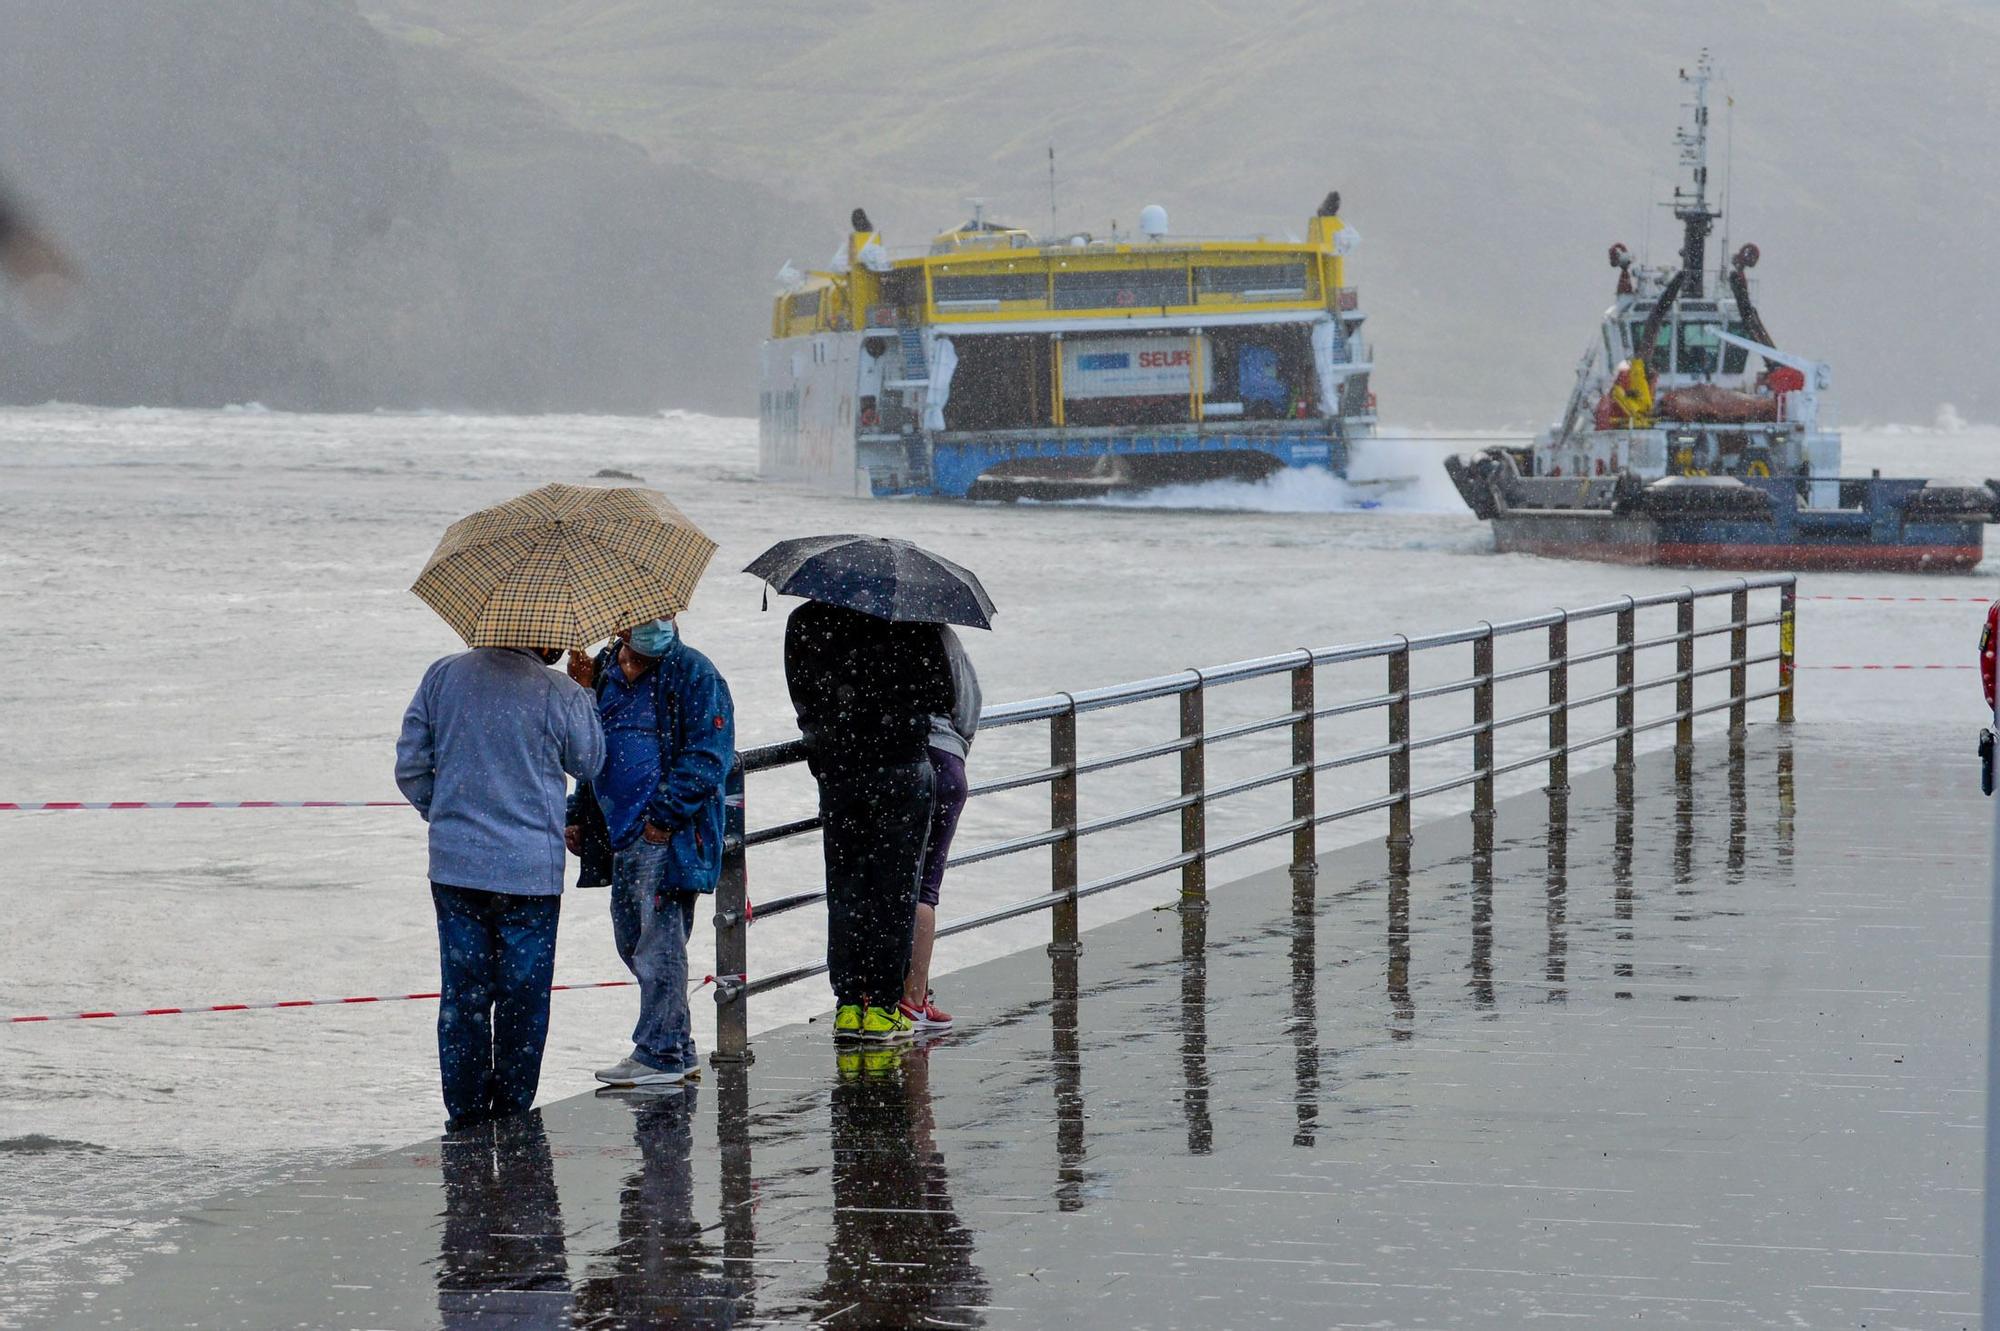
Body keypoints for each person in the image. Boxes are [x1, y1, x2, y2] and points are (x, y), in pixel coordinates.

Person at [396, 644, 604, 1130]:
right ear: (546, 637)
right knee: (523, 999)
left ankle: (465, 1116)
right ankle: (512, 1112)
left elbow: (410, 767)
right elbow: (591, 762)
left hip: (457, 866)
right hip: (530, 872)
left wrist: (446, 812)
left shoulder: (442, 676)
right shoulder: (561, 692)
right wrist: (587, 690)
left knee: (463, 996)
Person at [565, 617, 735, 1088]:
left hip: (667, 834)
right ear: (619, 625)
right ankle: (676, 1046)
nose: (656, 626)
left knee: (659, 944)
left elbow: (709, 755)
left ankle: (659, 1052)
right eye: (643, 619)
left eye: (664, 616)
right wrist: (578, 811)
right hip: (616, 832)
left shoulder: (696, 673)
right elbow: (587, 747)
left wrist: (663, 816)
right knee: (632, 942)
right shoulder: (601, 668)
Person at [784, 601, 951, 1043]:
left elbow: (801, 693)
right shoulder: (914, 621)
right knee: (895, 890)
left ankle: (847, 1004)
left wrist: (827, 737)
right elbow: (942, 695)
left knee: (846, 889)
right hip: (900, 767)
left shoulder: (806, 620)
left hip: (841, 772)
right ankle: (880, 1007)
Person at [900, 626, 980, 1030]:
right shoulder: (940, 636)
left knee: (896, 883)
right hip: (946, 764)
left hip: (897, 764)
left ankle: (888, 997)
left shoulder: (867, 638)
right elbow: (968, 706)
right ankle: (915, 998)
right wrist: (953, 746)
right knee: (925, 888)